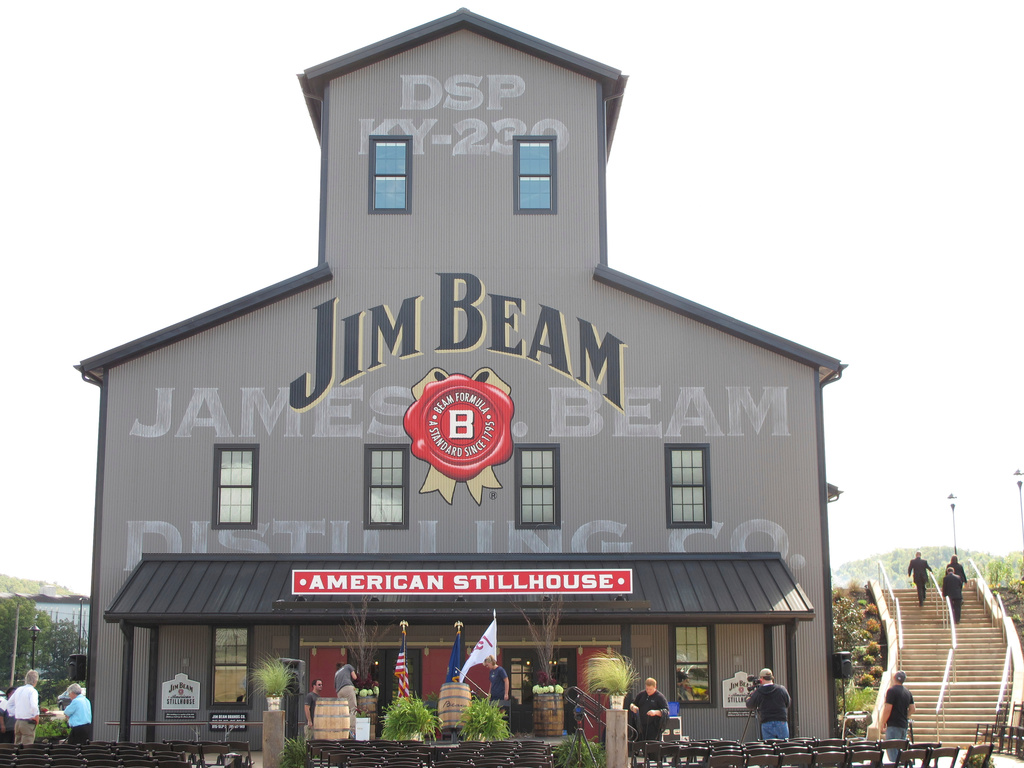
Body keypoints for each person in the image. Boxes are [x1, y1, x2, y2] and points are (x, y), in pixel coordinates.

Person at [879, 670, 915, 763]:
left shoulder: (891, 691)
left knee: (893, 755)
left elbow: (888, 708)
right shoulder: (908, 692)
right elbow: (913, 709)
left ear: (894, 678)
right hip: (903, 725)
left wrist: (883, 722)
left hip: (893, 725)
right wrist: (905, 716)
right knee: (901, 753)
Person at [745, 668, 791, 740]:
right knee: (783, 745)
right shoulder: (781, 689)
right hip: (781, 722)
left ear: (762, 678)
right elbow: (788, 703)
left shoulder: (759, 691)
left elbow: (750, 705)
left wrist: (748, 698)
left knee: (769, 747)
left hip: (767, 722)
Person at [7, 670, 40, 745]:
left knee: (17, 746)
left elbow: (9, 704)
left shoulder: (19, 689)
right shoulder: (32, 691)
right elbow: (34, 705)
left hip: (18, 722)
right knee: (27, 747)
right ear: (35, 681)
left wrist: (14, 713)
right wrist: (36, 716)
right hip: (27, 722)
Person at [334, 662, 357, 739]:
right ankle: (352, 730)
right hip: (347, 687)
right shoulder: (348, 666)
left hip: (339, 692)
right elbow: (355, 677)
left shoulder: (336, 673)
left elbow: (335, 686)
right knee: (353, 709)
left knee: (343, 711)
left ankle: (342, 730)